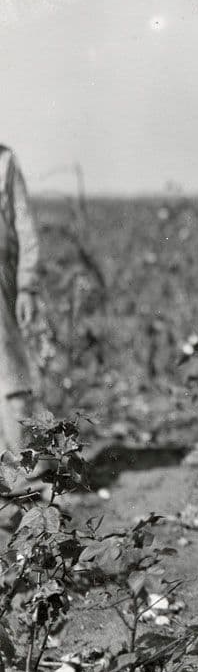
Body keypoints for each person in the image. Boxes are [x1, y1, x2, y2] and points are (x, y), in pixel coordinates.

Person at [0, 146, 40, 479]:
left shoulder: (5, 161)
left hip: (2, 280)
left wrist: (27, 286)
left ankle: (23, 477)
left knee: (11, 377)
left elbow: (24, 228)